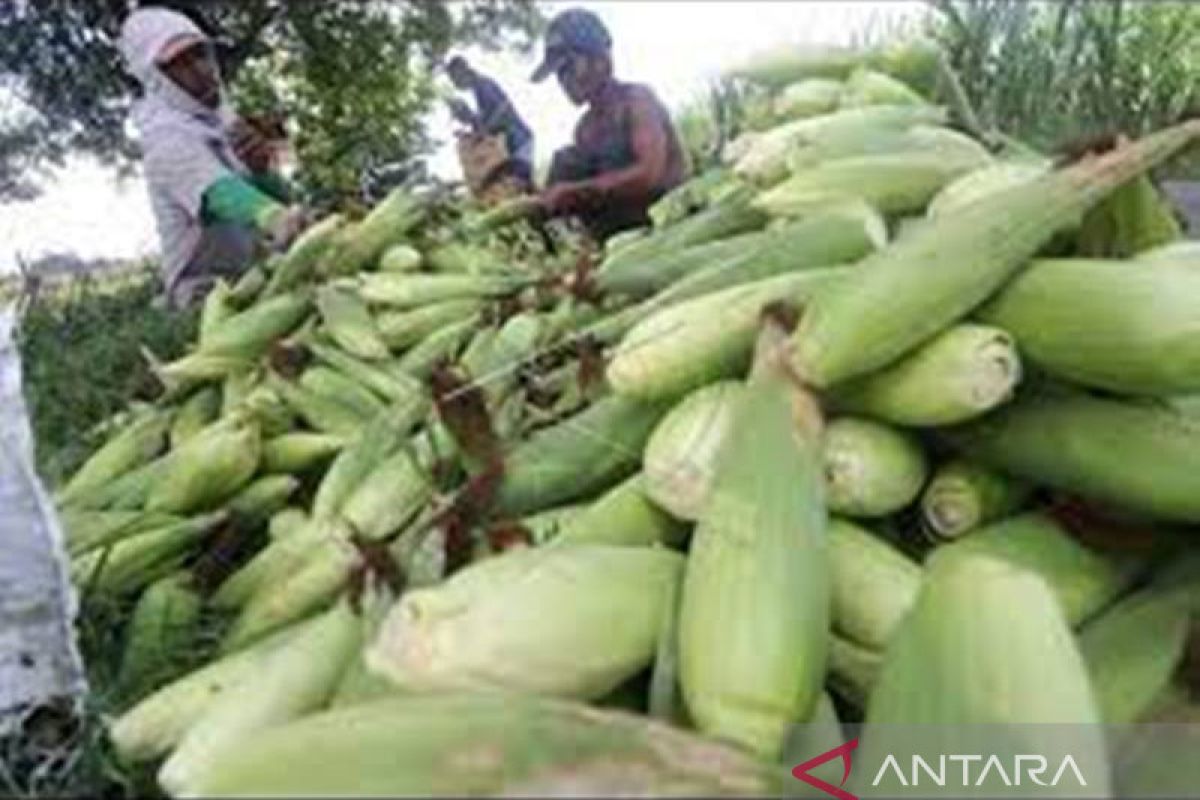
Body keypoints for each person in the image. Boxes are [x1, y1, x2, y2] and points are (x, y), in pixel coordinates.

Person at [118, 7, 310, 309]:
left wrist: (262, 171)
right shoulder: (165, 140)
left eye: (200, 54)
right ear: (156, 78)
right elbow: (217, 195)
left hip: (248, 275)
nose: (200, 70)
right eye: (179, 65)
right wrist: (276, 219)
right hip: (202, 291)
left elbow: (280, 200)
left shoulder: (223, 120)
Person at [530, 8, 689, 242]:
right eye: (558, 75)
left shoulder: (636, 100)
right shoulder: (584, 128)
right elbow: (596, 190)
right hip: (625, 236)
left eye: (568, 68)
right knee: (565, 163)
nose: (563, 82)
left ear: (600, 61)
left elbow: (649, 175)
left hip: (671, 224)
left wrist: (575, 191)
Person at [445, 56, 535, 189]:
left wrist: (480, 127)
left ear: (463, 70)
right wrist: (471, 129)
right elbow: (487, 123)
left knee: (518, 185)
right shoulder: (478, 90)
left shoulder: (483, 85)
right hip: (510, 144)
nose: (455, 84)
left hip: (517, 140)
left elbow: (502, 108)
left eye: (454, 78)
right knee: (511, 186)